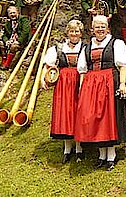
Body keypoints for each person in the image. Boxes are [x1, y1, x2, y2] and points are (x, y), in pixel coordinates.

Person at [75, 15, 126, 170]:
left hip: (109, 82)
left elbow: (122, 66)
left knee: (108, 118)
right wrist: (81, 89)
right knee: (94, 118)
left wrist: (123, 84)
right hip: (91, 85)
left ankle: (111, 155)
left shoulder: (116, 43)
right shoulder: (87, 47)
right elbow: (82, 71)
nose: (100, 29)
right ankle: (101, 154)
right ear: (92, 29)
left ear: (108, 28)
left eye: (103, 26)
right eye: (97, 26)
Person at [42, 20, 85, 164]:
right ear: (67, 32)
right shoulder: (58, 48)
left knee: (78, 113)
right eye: (72, 31)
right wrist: (44, 79)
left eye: (77, 31)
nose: (74, 34)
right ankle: (67, 148)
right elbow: (48, 65)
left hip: (80, 82)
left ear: (81, 33)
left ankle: (79, 147)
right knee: (66, 113)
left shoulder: (85, 47)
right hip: (63, 83)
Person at [0, 6, 31, 70]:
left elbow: (25, 32)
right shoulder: (8, 23)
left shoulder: (23, 20)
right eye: (10, 13)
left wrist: (18, 41)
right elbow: (4, 35)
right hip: (11, 40)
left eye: (14, 12)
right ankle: (4, 61)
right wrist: (6, 41)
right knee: (1, 45)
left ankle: (7, 64)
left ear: (18, 12)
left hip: (22, 42)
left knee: (14, 46)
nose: (12, 15)